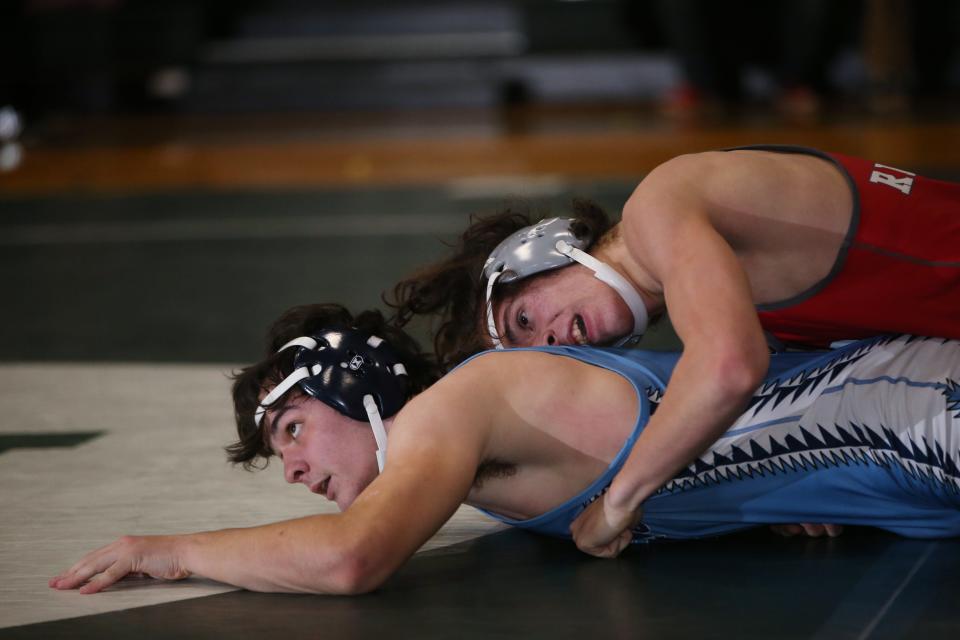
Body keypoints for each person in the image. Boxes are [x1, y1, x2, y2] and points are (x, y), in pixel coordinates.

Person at [50, 303, 960, 595]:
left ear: (357, 392)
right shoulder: (471, 462)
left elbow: (350, 558)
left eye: (290, 429)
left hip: (908, 411)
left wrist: (165, 551)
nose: (289, 466)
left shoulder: (450, 411)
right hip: (897, 468)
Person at [388, 144, 960, 555]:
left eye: (524, 319)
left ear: (543, 254)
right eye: (534, 351)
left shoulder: (658, 206)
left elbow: (729, 369)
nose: (552, 343)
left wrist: (618, 502)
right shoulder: (741, 289)